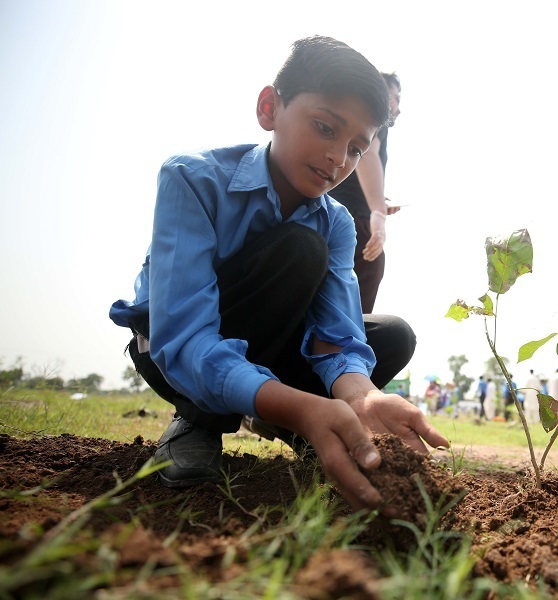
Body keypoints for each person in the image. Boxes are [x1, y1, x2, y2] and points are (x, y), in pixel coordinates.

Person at [109, 36, 448, 513]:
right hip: (174, 350)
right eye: (325, 128)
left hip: (270, 344)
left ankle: (308, 419)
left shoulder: (337, 222)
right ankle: (200, 422)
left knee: (392, 335)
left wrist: (363, 397)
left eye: (356, 148)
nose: (338, 158)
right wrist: (300, 403)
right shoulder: (193, 179)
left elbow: (337, 337)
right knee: (299, 250)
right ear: (270, 108)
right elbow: (183, 337)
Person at [327, 72, 402, 314]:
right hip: (351, 221)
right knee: (368, 268)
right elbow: (367, 154)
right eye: (395, 98)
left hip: (338, 214)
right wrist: (378, 214)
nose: (398, 109)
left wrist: (378, 202)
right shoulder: (375, 118)